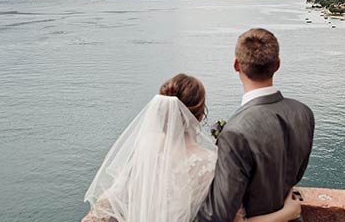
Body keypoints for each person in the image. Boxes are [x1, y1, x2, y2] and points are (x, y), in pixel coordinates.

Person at [83, 73, 301, 222]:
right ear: (199, 114)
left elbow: (105, 207)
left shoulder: (144, 149)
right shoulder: (212, 163)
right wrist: (287, 213)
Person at [195, 28, 315, 222]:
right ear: (277, 65)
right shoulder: (303, 112)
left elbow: (218, 215)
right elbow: (294, 174)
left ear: (236, 65)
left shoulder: (235, 132)